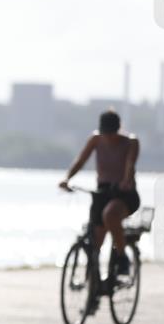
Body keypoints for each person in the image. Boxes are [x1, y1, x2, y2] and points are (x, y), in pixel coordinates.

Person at [59, 109, 141, 277]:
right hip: (102, 192)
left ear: (118, 129)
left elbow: (130, 164)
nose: (109, 137)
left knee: (110, 215)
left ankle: (121, 257)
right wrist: (67, 178)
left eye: (112, 134)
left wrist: (126, 181)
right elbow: (81, 160)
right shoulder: (96, 139)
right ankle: (93, 286)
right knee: (95, 240)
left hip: (124, 194)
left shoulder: (131, 142)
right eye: (106, 133)